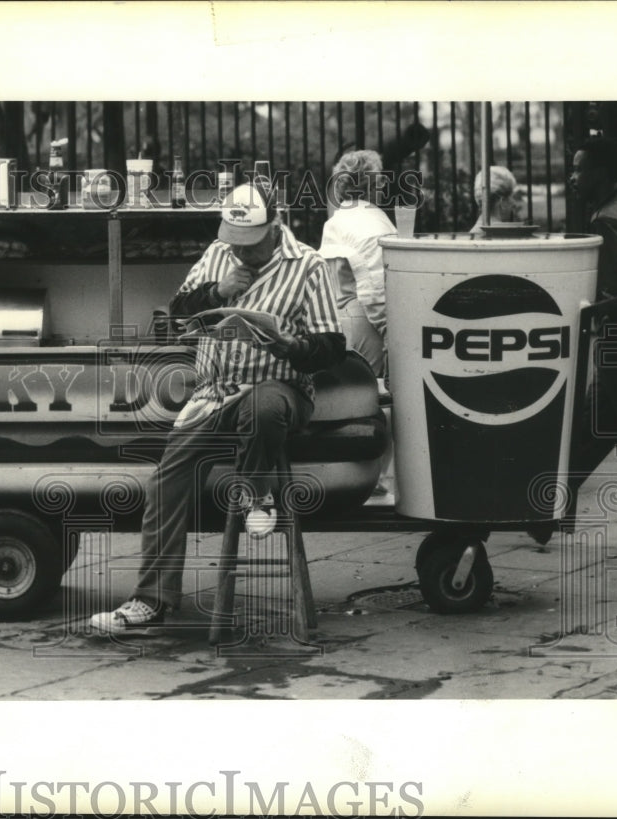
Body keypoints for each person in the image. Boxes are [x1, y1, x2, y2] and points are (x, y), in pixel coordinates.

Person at [90, 183, 346, 635]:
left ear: (276, 226)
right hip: (213, 391)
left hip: (279, 387)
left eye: (251, 245)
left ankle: (256, 492)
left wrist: (291, 345)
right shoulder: (217, 255)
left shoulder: (309, 266)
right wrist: (215, 293)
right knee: (166, 478)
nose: (242, 254)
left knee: (263, 406)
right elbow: (177, 311)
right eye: (236, 244)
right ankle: (151, 599)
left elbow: (332, 348)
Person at [568, 136, 617, 482]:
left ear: (601, 172)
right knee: (602, 423)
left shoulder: (608, 218)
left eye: (579, 169)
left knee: (601, 422)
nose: (572, 177)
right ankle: (548, 509)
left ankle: (547, 508)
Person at [318, 149, 395, 377]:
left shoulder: (335, 221)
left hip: (337, 322)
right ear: (371, 186)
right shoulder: (373, 227)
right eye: (379, 180)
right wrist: (393, 338)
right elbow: (377, 294)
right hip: (368, 328)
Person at [468, 165, 523, 235]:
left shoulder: (474, 231)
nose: (514, 203)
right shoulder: (502, 235)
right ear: (501, 200)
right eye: (512, 197)